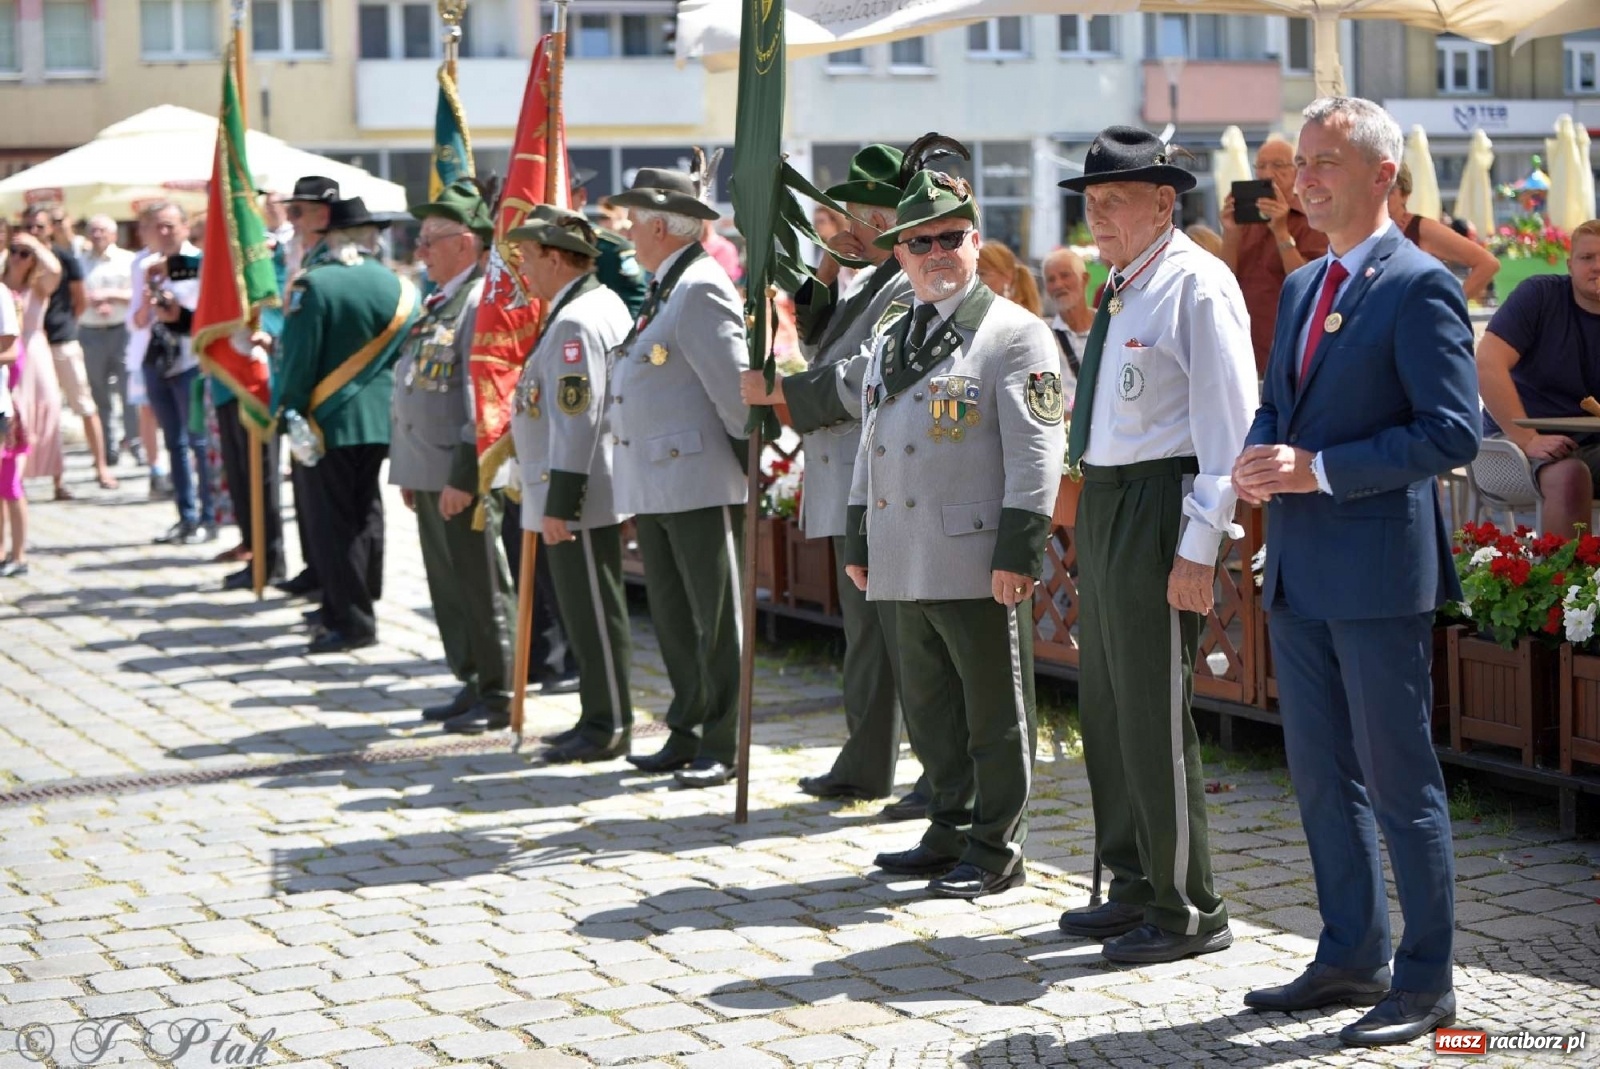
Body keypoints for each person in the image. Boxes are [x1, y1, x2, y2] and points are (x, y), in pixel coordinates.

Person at [1232, 96, 1479, 1047]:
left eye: (1325, 162)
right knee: (1321, 777)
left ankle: (1425, 983)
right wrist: (1261, 455)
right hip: (1298, 565)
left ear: (1383, 175)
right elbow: (1278, 404)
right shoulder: (1303, 285)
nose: (1305, 179)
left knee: (1399, 782)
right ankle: (1349, 952)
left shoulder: (1419, 283)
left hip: (1376, 571)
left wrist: (1321, 469)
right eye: (1301, 163)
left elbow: (1451, 432)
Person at [1055, 126, 1254, 963]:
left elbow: (1230, 432)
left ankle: (1187, 907)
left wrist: (1198, 547)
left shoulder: (1196, 285)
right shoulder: (1123, 282)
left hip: (1159, 502)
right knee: (1106, 707)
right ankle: (1135, 881)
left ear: (1166, 202)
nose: (1097, 215)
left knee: (1152, 710)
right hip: (1107, 501)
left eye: (1115, 200)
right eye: (1091, 201)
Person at [844, 168, 1064, 900]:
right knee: (930, 706)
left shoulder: (1013, 333)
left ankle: (997, 845)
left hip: (975, 553)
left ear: (976, 241)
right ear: (899, 254)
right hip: (902, 549)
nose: (936, 252)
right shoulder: (890, 336)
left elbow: (1038, 451)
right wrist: (857, 535)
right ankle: (948, 825)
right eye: (920, 242)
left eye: (951, 237)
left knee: (992, 710)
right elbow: (871, 441)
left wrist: (1019, 549)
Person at [739, 143, 926, 815]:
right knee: (869, 636)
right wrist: (826, 263)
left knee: (896, 639)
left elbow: (859, 374)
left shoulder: (903, 284)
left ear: (882, 220)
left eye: (855, 217)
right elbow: (819, 342)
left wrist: (779, 393)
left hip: (877, 479)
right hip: (854, 479)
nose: (844, 228)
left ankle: (929, 773)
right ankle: (865, 761)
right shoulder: (871, 281)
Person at [607, 164, 750, 789]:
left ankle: (724, 741)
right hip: (659, 481)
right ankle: (688, 727)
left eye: (633, 222)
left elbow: (736, 396)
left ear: (661, 227)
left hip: (699, 481)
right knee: (673, 616)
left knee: (716, 621)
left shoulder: (699, 287)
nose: (627, 232)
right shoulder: (666, 286)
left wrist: (745, 470)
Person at [387, 180, 516, 731]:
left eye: (430, 240)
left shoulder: (480, 303)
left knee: (482, 583)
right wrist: (410, 467)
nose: (420, 251)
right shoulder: (442, 301)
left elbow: (484, 401)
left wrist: (465, 475)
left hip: (462, 473)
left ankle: (500, 689)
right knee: (450, 584)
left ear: (465, 243)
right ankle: (474, 676)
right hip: (430, 469)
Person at [509, 206, 637, 760]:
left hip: (577, 489)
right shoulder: (590, 305)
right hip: (581, 484)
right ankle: (596, 714)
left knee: (592, 613)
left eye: (528, 257)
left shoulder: (575, 321)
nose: (522, 270)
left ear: (557, 259)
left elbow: (577, 416)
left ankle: (608, 725)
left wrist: (561, 501)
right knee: (586, 612)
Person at [273, 196, 419, 654]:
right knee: (366, 510)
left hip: (329, 420)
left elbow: (299, 360)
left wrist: (288, 408)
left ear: (332, 237)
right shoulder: (398, 286)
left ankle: (351, 619)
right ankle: (359, 596)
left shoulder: (314, 284)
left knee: (332, 522)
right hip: (382, 419)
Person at [1476, 219, 1600, 537]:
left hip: (1591, 443)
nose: (1597, 267)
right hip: (1512, 443)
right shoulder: (1541, 296)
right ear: (1570, 265)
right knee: (1570, 475)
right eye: (1587, 258)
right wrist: (1528, 438)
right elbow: (1487, 363)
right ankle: (1564, 571)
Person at [274, 176, 341, 600]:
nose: (292, 220)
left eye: (297, 211)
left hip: (326, 390)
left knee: (328, 503)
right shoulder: (303, 254)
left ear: (323, 214)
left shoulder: (333, 258)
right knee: (306, 493)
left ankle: (333, 583)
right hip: (307, 389)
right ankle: (315, 569)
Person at [22, 207, 116, 493]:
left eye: (39, 226)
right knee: (40, 410)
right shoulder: (19, 260)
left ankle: (101, 467)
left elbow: (80, 299)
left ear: (51, 228)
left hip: (61, 340)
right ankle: (57, 479)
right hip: (31, 344)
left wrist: (67, 325)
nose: (33, 232)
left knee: (84, 405)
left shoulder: (64, 258)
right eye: (29, 226)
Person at [1220, 135, 1330, 376]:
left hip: (1290, 345)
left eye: (1278, 166)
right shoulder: (1244, 220)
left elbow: (1310, 284)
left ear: (1297, 172)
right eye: (1261, 166)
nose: (1267, 173)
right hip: (1244, 344)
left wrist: (1281, 232)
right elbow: (1223, 281)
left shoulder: (1312, 218)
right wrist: (1231, 234)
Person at [137, 203, 214, 545]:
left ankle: (209, 517)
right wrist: (149, 298)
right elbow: (137, 321)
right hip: (158, 360)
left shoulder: (200, 263)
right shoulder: (147, 266)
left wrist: (175, 310)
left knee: (199, 443)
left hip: (193, 362)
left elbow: (204, 317)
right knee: (175, 443)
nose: (164, 233)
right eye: (157, 226)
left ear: (185, 226)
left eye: (170, 225)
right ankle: (186, 516)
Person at [1387, 163, 1499, 302]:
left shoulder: (1420, 228)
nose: (1379, 196)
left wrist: (1453, 304)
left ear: (1405, 194)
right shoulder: (1367, 229)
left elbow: (1488, 263)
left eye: (1389, 190)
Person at [79, 215, 135, 471]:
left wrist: (111, 296)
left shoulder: (127, 260)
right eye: (93, 230)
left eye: (102, 230)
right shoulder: (80, 262)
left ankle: (135, 443)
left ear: (113, 234)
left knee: (129, 391)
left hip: (121, 331)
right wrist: (91, 301)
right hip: (90, 333)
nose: (97, 234)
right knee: (99, 393)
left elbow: (138, 295)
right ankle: (108, 449)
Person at [124, 206, 169, 498]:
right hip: (147, 345)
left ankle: (184, 471)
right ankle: (156, 470)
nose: (154, 232)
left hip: (181, 346)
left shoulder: (190, 257)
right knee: (148, 409)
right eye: (148, 227)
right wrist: (145, 302)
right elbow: (136, 317)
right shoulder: (140, 262)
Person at [570, 169, 649, 317]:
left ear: (581, 196)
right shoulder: (539, 244)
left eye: (563, 194)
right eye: (602, 217)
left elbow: (634, 300)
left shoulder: (614, 248)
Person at [1041, 247, 1093, 396]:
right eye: (1051, 279)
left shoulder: (1110, 327)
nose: (1058, 285)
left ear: (1084, 279)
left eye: (1065, 275)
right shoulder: (1041, 335)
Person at [975, 240, 1041, 315]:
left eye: (982, 274)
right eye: (974, 274)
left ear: (1008, 277)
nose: (975, 280)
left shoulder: (1016, 314)